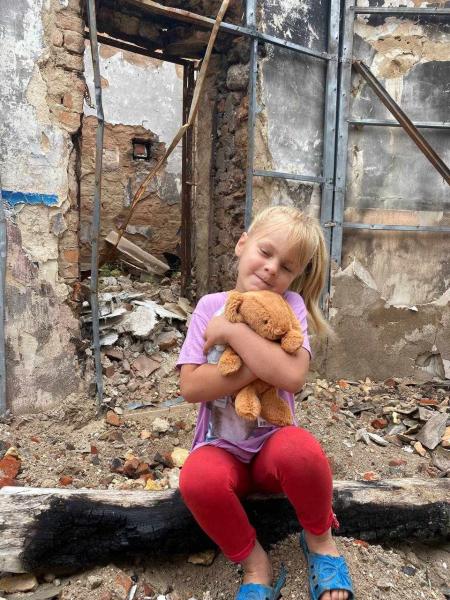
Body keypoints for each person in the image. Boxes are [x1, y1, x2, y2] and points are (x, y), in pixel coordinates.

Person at [177, 206, 354, 600]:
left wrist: (234, 337)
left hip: (273, 448)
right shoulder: (210, 308)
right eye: (266, 252)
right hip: (220, 448)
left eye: (287, 267)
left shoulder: (290, 307)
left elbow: (292, 376)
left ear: (295, 277)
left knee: (304, 452)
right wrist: (262, 366)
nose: (273, 269)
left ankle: (321, 543)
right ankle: (256, 565)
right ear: (242, 244)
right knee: (195, 479)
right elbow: (191, 386)